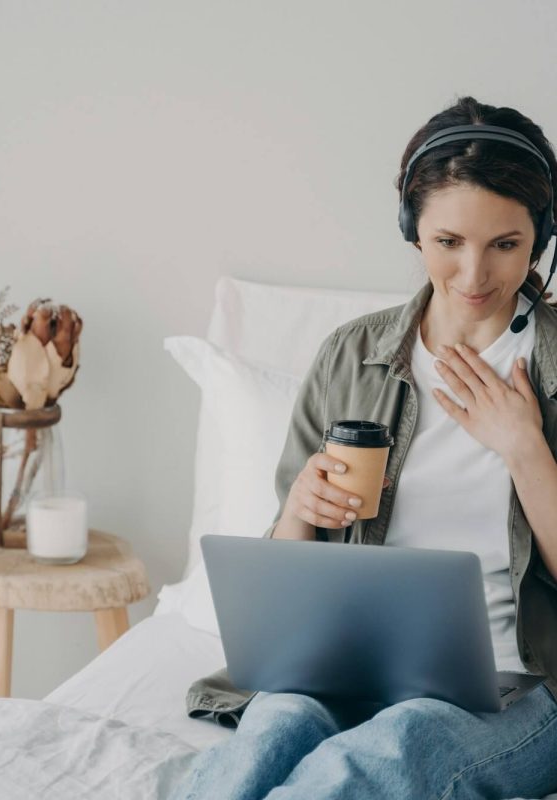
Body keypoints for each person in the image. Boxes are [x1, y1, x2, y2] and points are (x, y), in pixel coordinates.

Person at [173, 95, 557, 800]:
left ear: (544, 234)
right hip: (346, 666)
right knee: (275, 724)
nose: (475, 276)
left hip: (522, 686)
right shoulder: (351, 356)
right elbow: (288, 582)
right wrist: (299, 507)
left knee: (396, 745)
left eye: (505, 244)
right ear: (413, 232)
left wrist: (526, 450)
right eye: (449, 243)